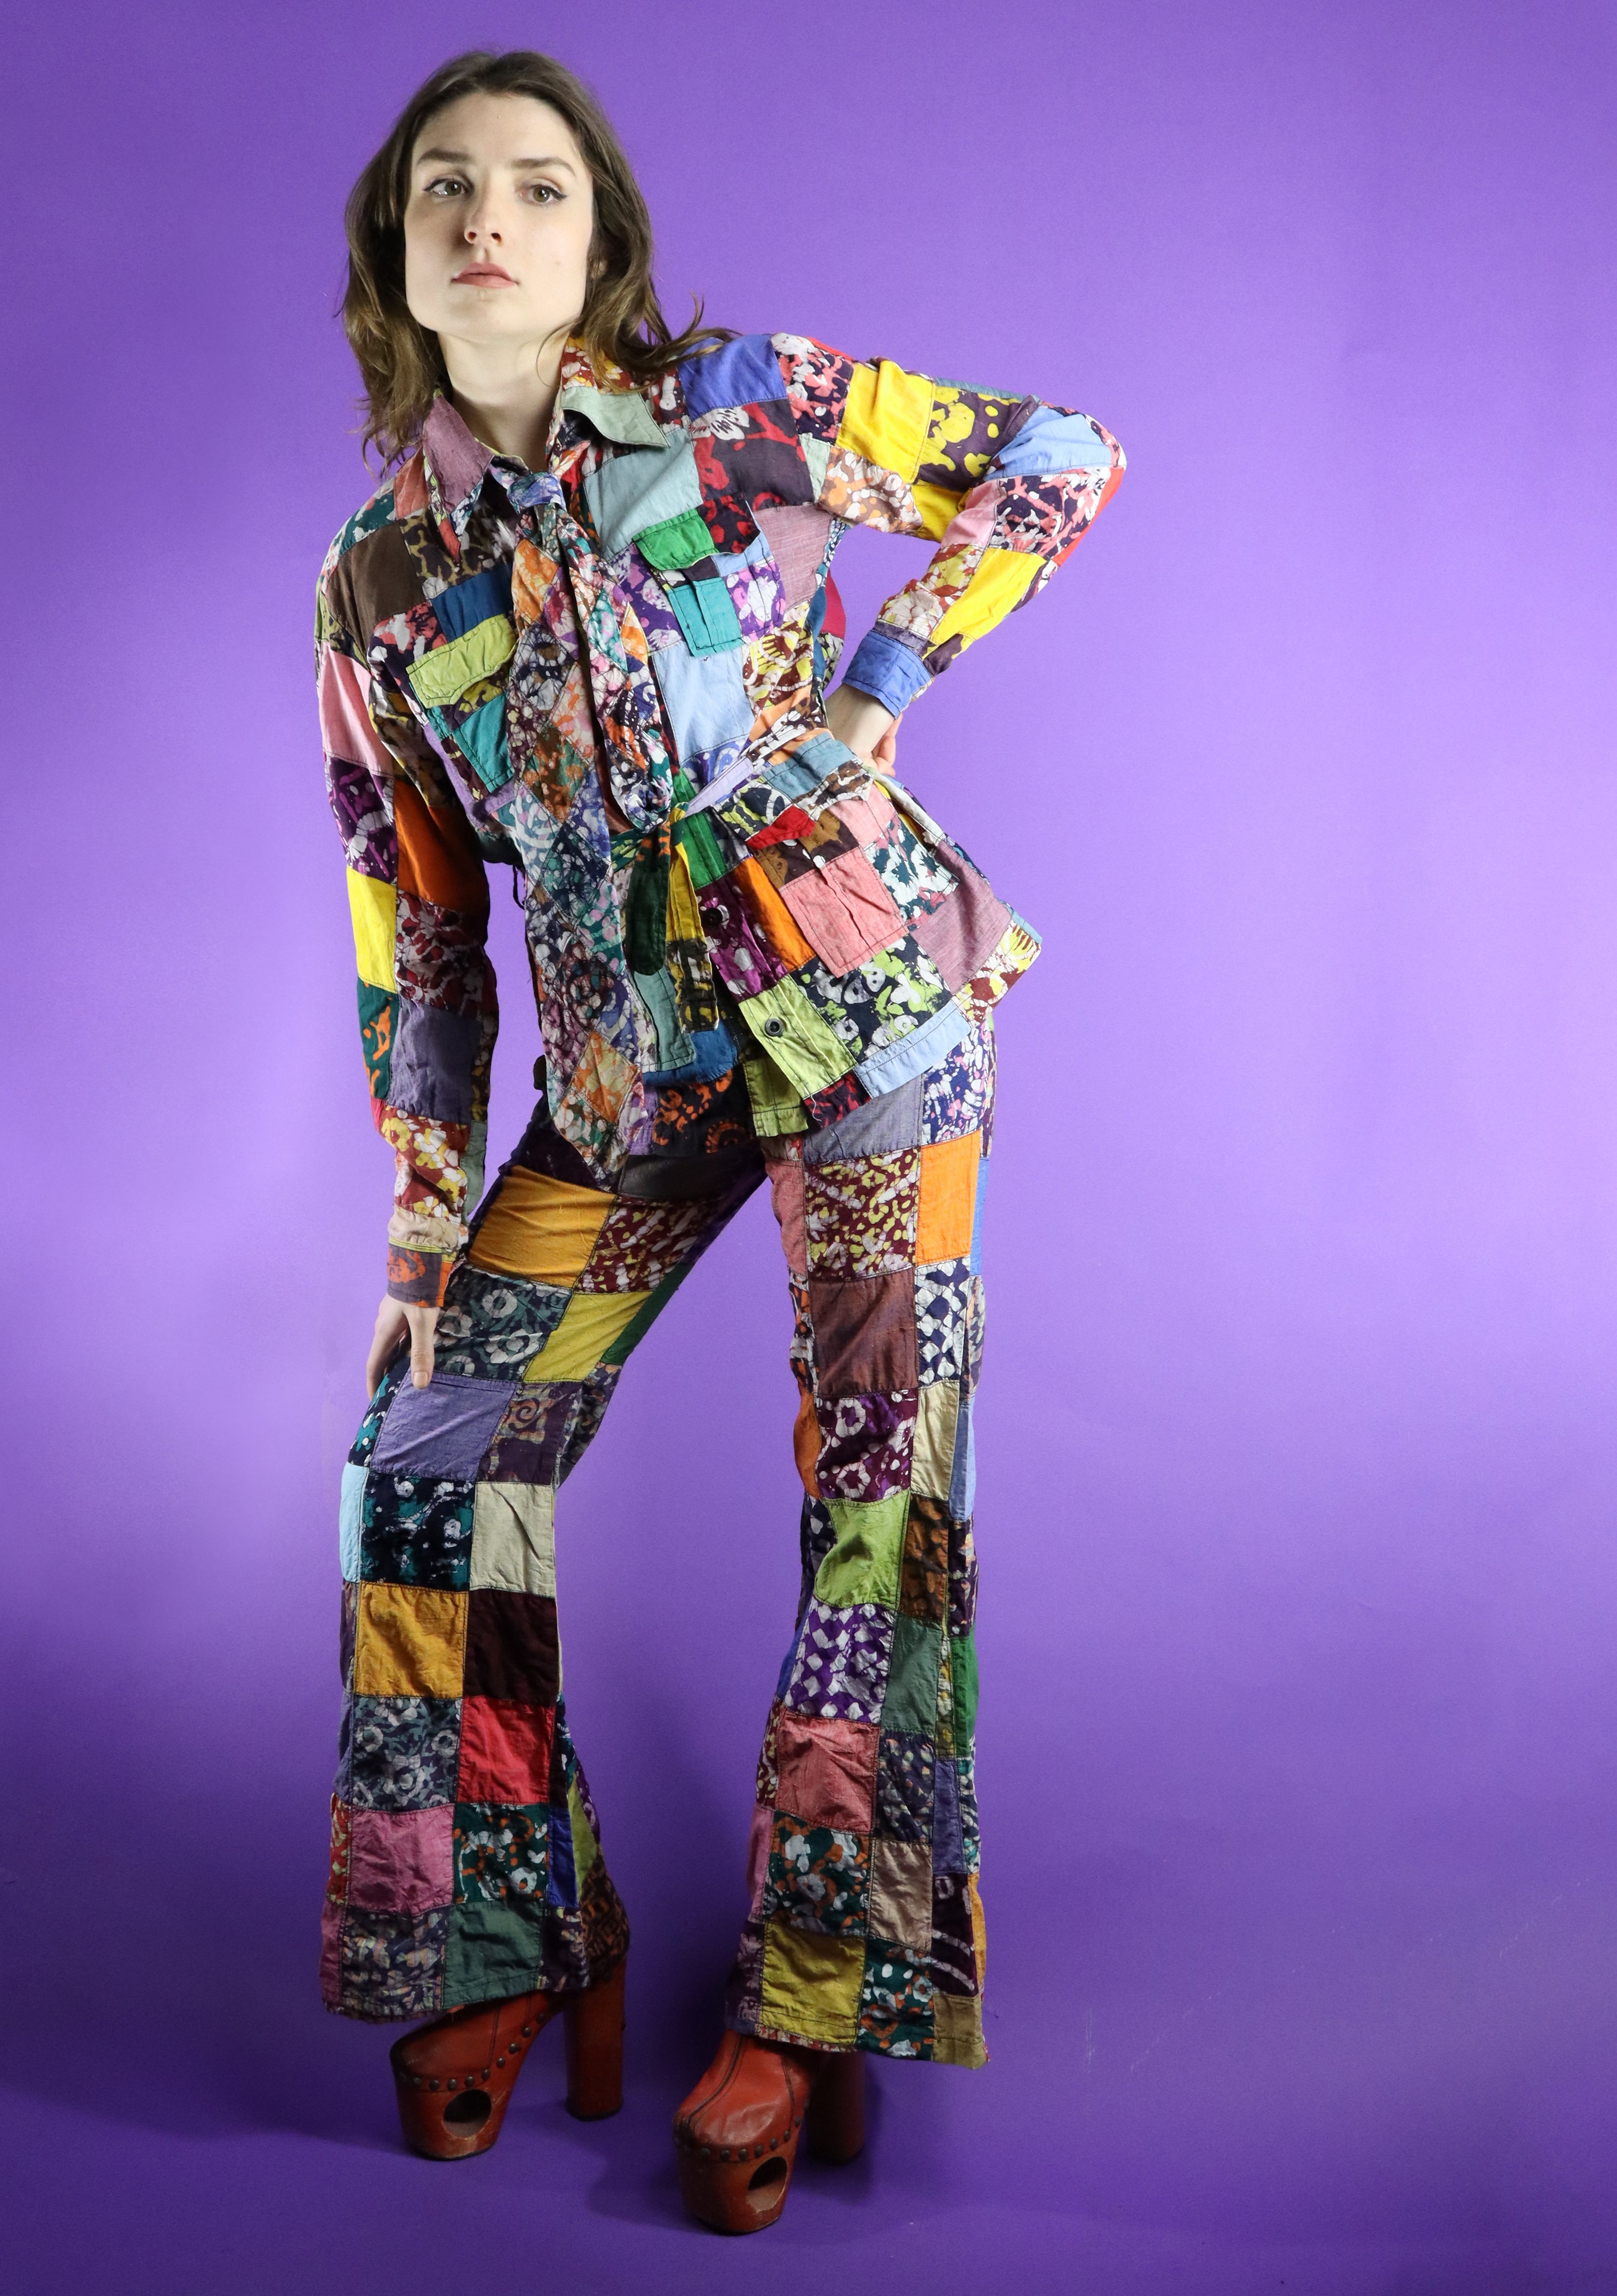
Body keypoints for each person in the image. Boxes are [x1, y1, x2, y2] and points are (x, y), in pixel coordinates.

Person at [314, 46, 1123, 2233]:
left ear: (597, 237)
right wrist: (422, 1230)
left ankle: (818, 1984)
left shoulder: (735, 404)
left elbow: (1055, 455)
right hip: (624, 1085)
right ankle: (518, 1930)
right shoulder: (377, 582)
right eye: (446, 187)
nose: (490, 218)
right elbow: (418, 930)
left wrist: (879, 684)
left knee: (883, 1488)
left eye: (537, 186)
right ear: (396, 248)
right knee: (426, 1462)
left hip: (860, 1013)